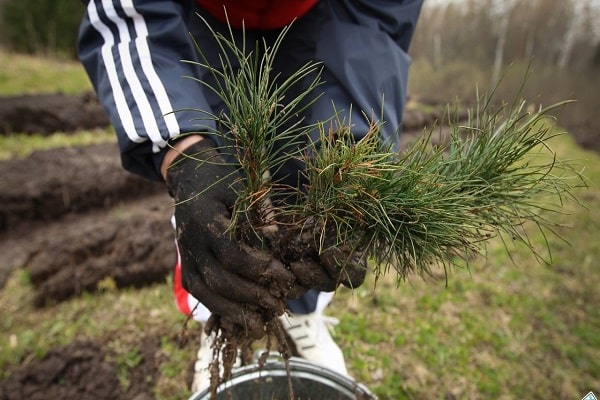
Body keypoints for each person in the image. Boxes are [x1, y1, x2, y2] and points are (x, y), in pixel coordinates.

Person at [78, 0, 423, 393]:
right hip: (201, 13)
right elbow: (129, 13)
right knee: (213, 196)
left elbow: (375, 20)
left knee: (311, 184)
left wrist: (350, 147)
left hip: (318, 15)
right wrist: (183, 150)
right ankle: (223, 322)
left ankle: (302, 315)